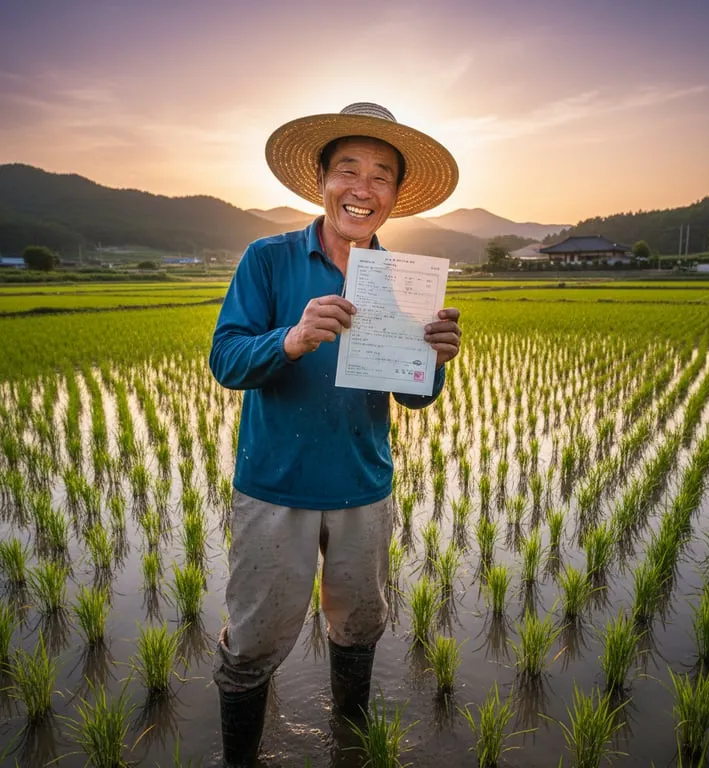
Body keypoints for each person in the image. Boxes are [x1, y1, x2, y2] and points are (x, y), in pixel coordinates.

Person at [208, 102, 462, 767]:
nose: (362, 187)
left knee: (359, 627)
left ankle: (350, 743)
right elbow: (225, 360)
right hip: (276, 488)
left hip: (362, 487)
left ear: (395, 196)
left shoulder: (403, 282)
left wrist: (434, 360)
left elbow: (414, 396)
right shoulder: (268, 260)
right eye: (348, 169)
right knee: (254, 641)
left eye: (381, 176)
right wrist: (290, 339)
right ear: (320, 181)